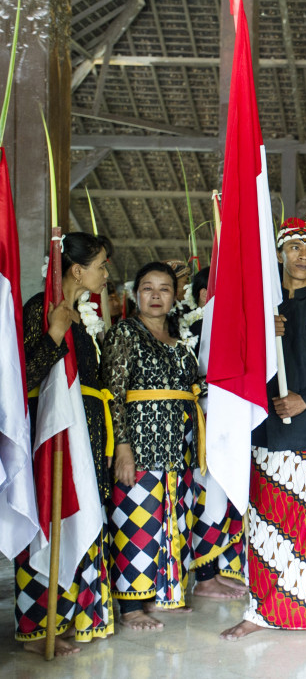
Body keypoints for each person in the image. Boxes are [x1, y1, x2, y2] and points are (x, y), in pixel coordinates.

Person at [220, 217, 306, 640]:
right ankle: (261, 612)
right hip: (267, 430)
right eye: (296, 247)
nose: (304, 255)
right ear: (279, 252)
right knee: (267, 526)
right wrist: (262, 334)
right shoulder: (258, 308)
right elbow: (232, 362)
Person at [16, 233, 114, 656]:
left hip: (88, 435)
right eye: (101, 265)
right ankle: (42, 629)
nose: (106, 275)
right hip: (53, 436)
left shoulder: (83, 314)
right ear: (77, 269)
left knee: (84, 517)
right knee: (51, 518)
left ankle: (77, 616)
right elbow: (25, 376)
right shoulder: (43, 309)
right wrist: (55, 334)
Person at [102, 261, 204, 631]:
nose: (156, 295)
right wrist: (122, 447)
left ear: (175, 296)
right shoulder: (125, 334)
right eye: (148, 288)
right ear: (135, 294)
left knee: (170, 523)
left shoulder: (179, 343)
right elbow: (113, 394)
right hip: (140, 446)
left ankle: (163, 595)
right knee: (136, 524)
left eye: (164, 288)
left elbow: (198, 389)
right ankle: (131, 607)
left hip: (179, 449)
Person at [185, 266, 248, 600]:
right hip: (204, 425)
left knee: (230, 496)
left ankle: (223, 567)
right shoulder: (192, 330)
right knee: (209, 497)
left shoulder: (234, 328)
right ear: (202, 297)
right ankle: (205, 575)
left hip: (231, 425)